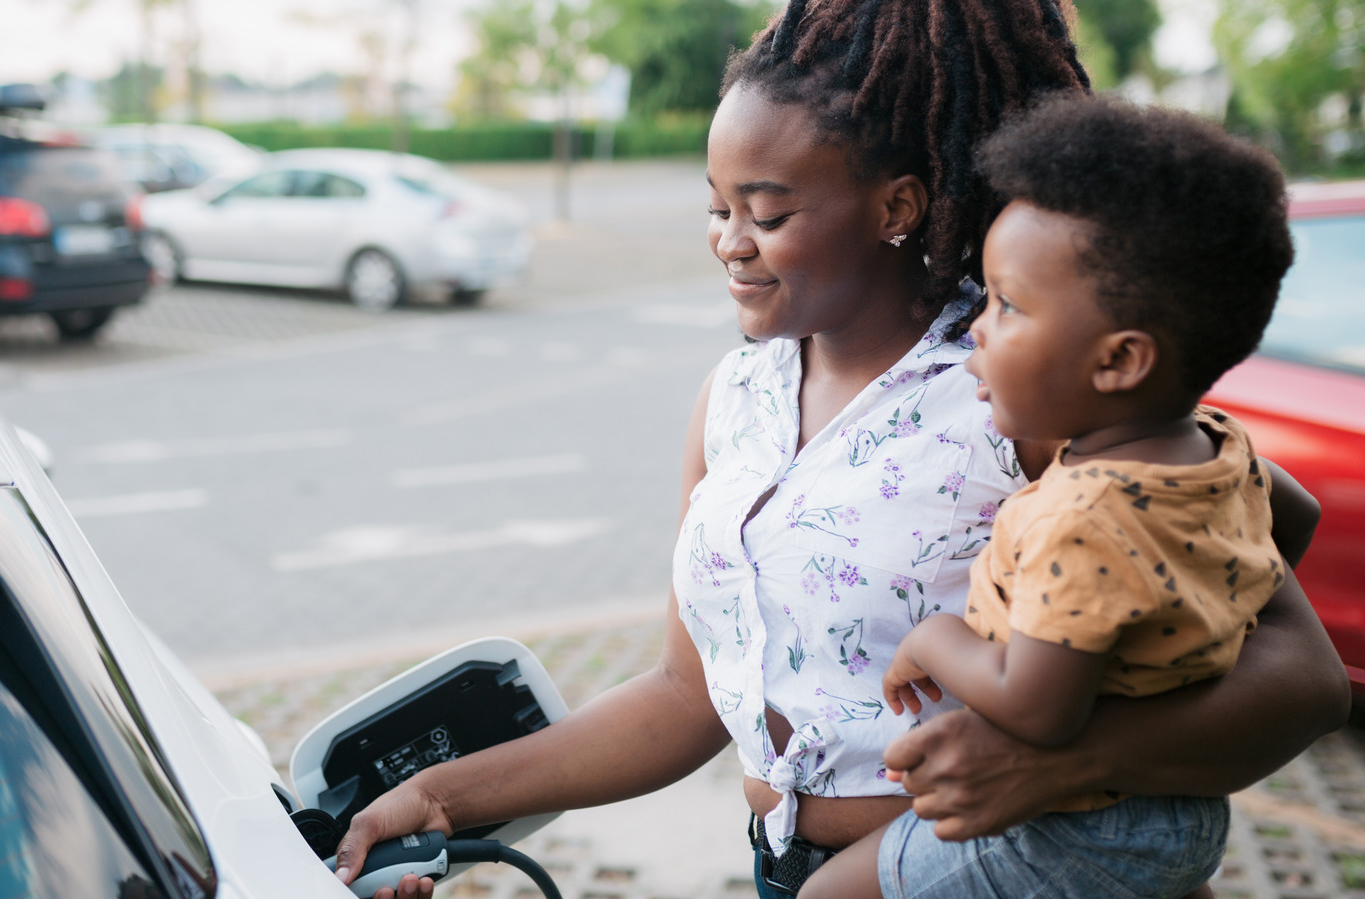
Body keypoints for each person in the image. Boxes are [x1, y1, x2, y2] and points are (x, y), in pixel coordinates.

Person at [332, 3, 1349, 898]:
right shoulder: (735, 398)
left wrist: (1058, 762)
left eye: (766, 211)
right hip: (796, 870)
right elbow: (689, 697)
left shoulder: (1020, 382)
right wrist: (434, 799)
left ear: (896, 206)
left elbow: (1300, 673)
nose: (729, 238)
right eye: (715, 206)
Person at [793, 94, 1298, 899]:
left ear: (1120, 361)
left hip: (1076, 824)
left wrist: (934, 637)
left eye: (1008, 305)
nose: (979, 329)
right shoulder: (1213, 448)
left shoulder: (1087, 514)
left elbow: (1037, 710)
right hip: (1179, 802)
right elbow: (1288, 528)